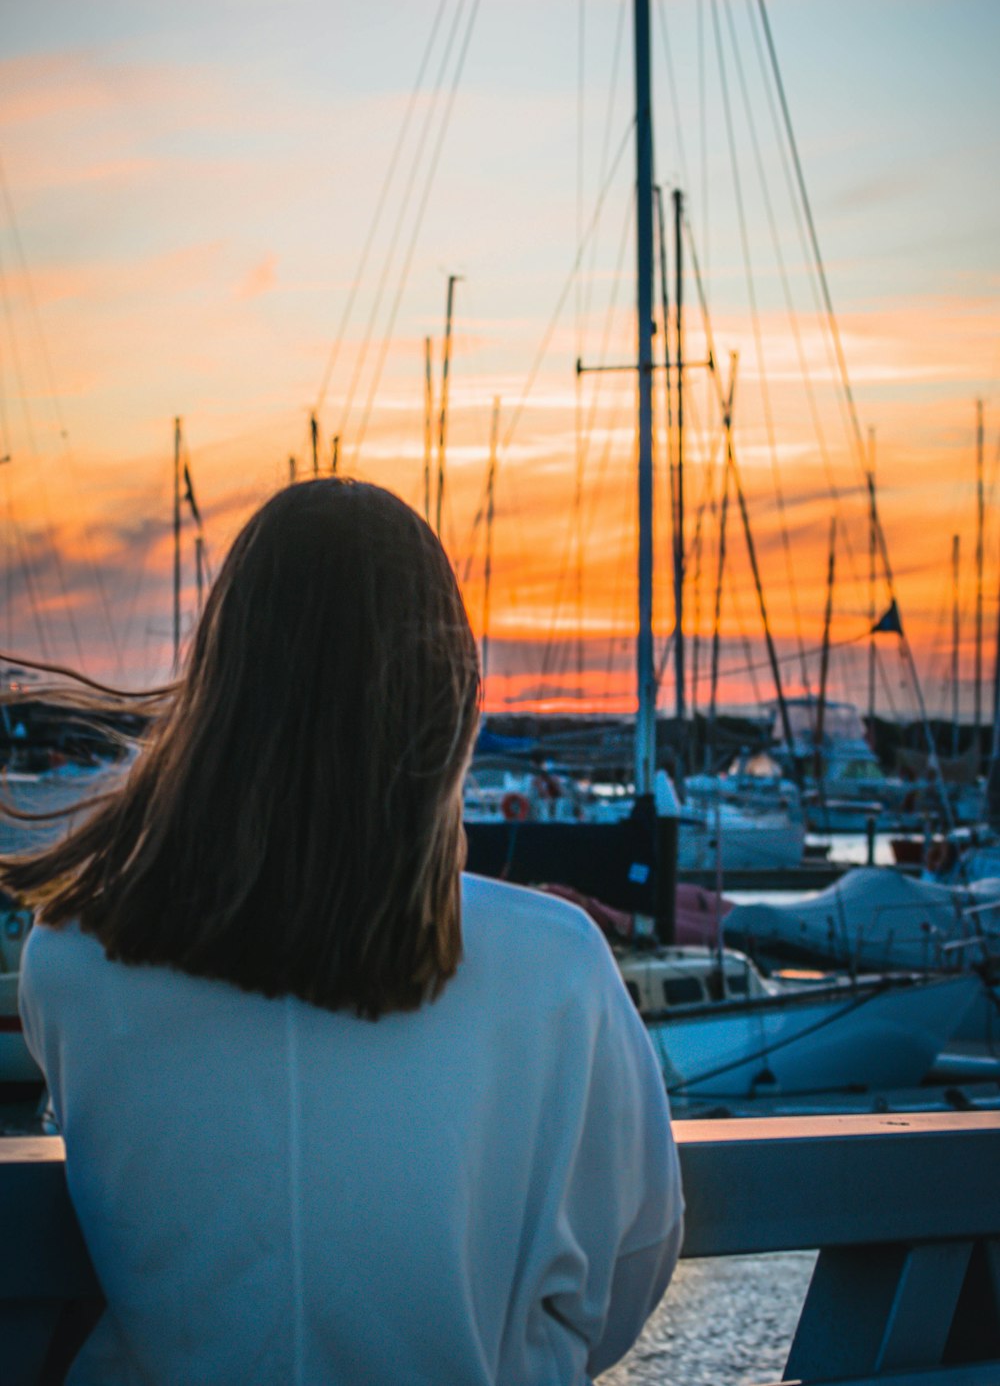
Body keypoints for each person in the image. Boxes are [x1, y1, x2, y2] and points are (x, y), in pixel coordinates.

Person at [12, 478, 683, 1385]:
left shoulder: (70, 960)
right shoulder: (556, 966)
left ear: (217, 687)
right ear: (448, 699)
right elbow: (631, 1260)